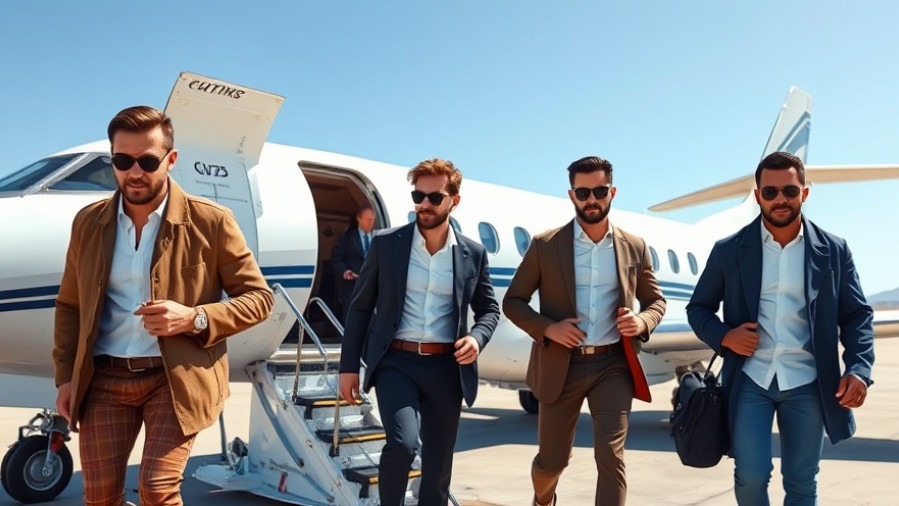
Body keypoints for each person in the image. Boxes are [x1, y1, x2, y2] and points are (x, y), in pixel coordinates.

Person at [52, 105, 274, 506]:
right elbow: (69, 305)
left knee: (157, 489)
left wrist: (195, 317)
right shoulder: (87, 223)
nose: (134, 172)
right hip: (104, 378)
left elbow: (259, 299)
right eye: (123, 160)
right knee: (99, 496)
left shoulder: (212, 221)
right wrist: (65, 376)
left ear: (170, 160)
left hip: (173, 379)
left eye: (147, 161)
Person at [686, 151, 875, 505]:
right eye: (770, 192)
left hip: (808, 382)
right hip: (751, 381)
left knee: (802, 481)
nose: (780, 200)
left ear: (805, 192)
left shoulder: (834, 250)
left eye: (789, 191)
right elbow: (698, 308)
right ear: (757, 195)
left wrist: (859, 370)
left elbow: (856, 315)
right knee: (751, 476)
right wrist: (725, 336)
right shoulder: (729, 250)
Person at [503, 156, 666, 506]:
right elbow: (513, 301)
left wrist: (641, 322)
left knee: (611, 456)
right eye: (583, 192)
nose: (591, 198)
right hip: (563, 365)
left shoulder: (634, 246)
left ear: (612, 192)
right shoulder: (546, 245)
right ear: (571, 194)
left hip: (613, 366)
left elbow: (655, 302)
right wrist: (549, 329)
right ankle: (543, 501)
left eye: (600, 191)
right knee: (552, 461)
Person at [338, 158, 499, 505]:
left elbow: (488, 309)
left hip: (446, 367)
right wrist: (348, 366)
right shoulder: (387, 244)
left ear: (454, 200)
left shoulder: (473, 253)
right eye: (418, 196)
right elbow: (361, 307)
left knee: (439, 465)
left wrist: (477, 337)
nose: (424, 204)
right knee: (402, 444)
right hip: (397, 362)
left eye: (434, 198)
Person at [330, 205, 376, 322]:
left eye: (372, 220)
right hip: (352, 286)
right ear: (359, 219)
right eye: (368, 220)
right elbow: (336, 259)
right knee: (351, 319)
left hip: (372, 285)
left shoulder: (378, 238)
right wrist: (344, 271)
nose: (371, 223)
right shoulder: (347, 238)